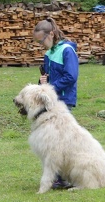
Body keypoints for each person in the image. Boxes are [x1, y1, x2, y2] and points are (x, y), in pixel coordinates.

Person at [33, 17, 79, 189]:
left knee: (62, 140)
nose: (41, 45)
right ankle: (59, 177)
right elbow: (48, 80)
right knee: (53, 141)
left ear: (51, 34)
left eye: (42, 41)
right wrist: (42, 82)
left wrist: (50, 88)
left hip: (64, 101)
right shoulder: (49, 54)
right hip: (51, 102)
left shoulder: (67, 51)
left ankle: (67, 176)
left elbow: (71, 77)